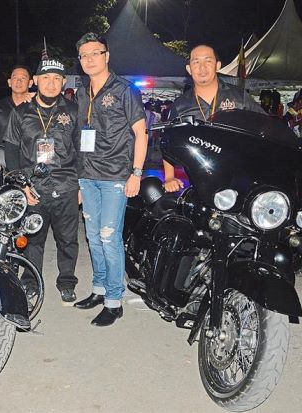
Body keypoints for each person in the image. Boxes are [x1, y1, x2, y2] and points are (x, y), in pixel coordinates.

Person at [73, 32, 147, 327]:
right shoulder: (81, 92)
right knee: (93, 236)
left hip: (116, 175)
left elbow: (141, 133)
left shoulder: (125, 90)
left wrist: (136, 174)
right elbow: (79, 137)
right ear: (79, 61)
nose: (90, 59)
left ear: (107, 55)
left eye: (95, 53)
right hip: (87, 176)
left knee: (109, 237)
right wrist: (78, 179)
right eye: (84, 55)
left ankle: (114, 301)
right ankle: (99, 288)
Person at [3, 58, 80, 305]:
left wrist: (81, 185)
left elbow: (81, 151)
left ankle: (67, 282)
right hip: (32, 188)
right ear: (35, 81)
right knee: (32, 239)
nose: (51, 83)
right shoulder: (20, 112)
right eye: (46, 78)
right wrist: (21, 185)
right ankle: (30, 281)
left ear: (63, 82)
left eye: (57, 78)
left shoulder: (73, 110)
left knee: (68, 239)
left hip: (66, 185)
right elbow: (11, 151)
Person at [163, 44, 266, 192]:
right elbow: (169, 141)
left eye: (208, 61)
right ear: (189, 69)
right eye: (196, 62)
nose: (202, 67)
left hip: (241, 178)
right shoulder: (180, 105)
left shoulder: (239, 97)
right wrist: (169, 177)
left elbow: (265, 127)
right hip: (200, 181)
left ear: (218, 65)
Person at [0, 65, 34, 154]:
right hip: (2, 160)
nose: (18, 81)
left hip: (29, 161)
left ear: (30, 83)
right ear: (9, 82)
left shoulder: (37, 106)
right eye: (15, 77)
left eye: (23, 78)